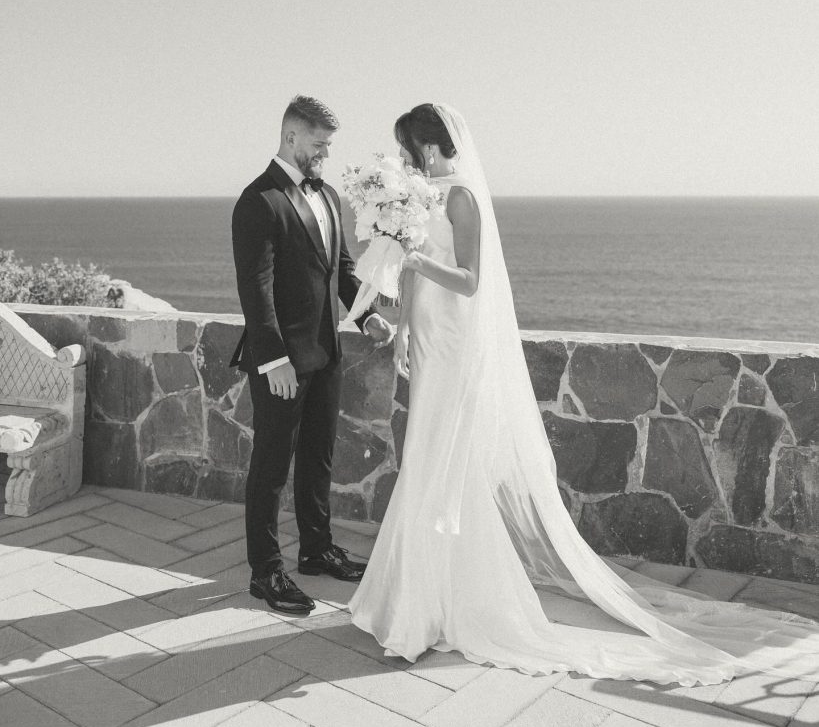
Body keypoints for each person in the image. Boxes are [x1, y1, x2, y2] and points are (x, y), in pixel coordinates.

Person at [349, 102, 819, 685]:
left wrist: (415, 255)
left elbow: (470, 281)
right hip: (428, 345)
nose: (400, 161)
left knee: (445, 467)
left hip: (455, 349)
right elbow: (415, 274)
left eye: (403, 150)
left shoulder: (462, 196)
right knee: (425, 461)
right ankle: (415, 598)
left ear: (423, 149)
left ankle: (442, 605)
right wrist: (401, 328)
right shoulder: (423, 199)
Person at [231, 95, 393, 616]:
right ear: (291, 136)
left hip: (327, 349)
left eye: (328, 144)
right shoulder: (258, 201)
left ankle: (317, 550)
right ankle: (265, 571)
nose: (325, 152)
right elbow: (255, 289)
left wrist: (366, 315)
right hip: (281, 360)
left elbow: (341, 270)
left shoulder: (327, 197)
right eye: (319, 143)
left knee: (319, 457)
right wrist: (273, 358)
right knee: (271, 466)